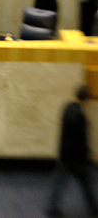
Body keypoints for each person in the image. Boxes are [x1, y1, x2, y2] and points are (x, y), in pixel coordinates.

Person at [46, 85, 98, 217]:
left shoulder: (67, 107)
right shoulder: (81, 116)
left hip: (64, 155)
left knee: (58, 184)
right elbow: (82, 140)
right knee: (86, 185)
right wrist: (87, 156)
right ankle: (94, 210)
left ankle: (51, 208)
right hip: (77, 159)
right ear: (86, 99)